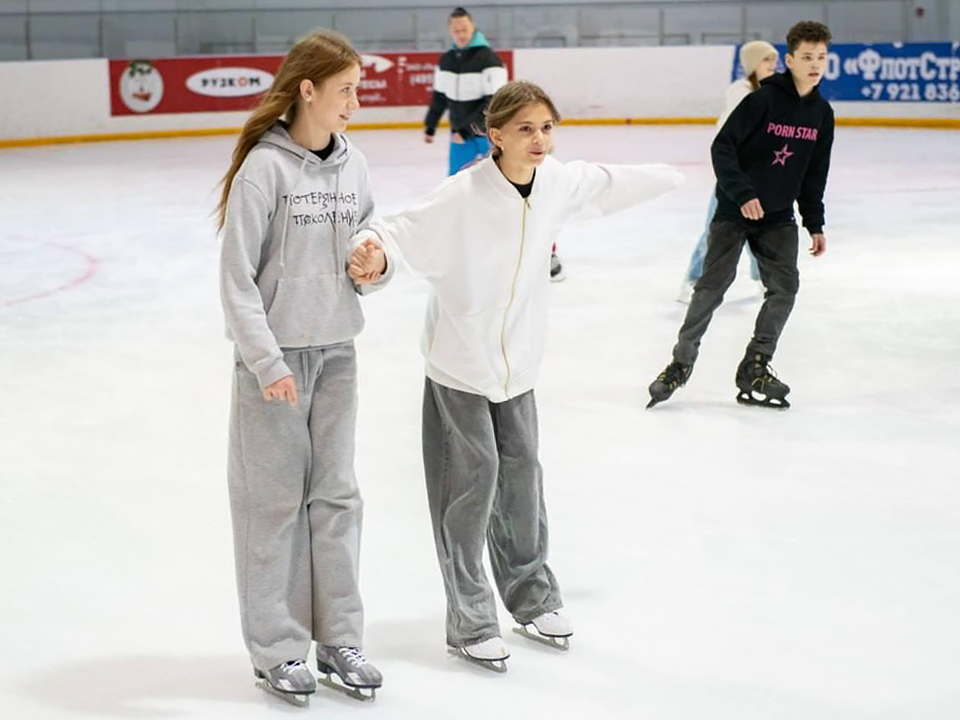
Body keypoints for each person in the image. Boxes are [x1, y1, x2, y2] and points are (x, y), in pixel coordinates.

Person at [349, 81, 682, 669]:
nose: (539, 140)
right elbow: (398, 232)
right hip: (461, 365)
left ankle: (531, 597)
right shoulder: (463, 195)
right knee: (470, 487)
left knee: (523, 478)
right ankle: (470, 618)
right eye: (526, 129)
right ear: (495, 134)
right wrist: (373, 254)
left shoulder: (556, 183)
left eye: (548, 127)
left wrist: (674, 172)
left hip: (519, 366)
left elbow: (607, 182)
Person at [216, 30, 391, 704]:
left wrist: (375, 263)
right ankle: (278, 650)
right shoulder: (266, 168)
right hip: (277, 363)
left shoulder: (354, 166)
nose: (356, 100)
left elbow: (372, 235)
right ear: (308, 89)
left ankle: (340, 638)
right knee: (273, 506)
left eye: (358, 87)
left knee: (337, 499)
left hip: (337, 352)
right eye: (345, 89)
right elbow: (235, 280)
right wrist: (265, 362)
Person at [647, 21, 834, 410]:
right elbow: (722, 148)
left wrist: (814, 222)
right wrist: (743, 193)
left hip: (779, 216)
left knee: (784, 289)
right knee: (711, 289)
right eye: (807, 57)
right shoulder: (761, 101)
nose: (815, 64)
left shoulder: (822, 114)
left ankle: (756, 364)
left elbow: (815, 172)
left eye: (821, 57)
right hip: (735, 210)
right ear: (790, 60)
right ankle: (680, 364)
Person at [678, 40, 780, 304]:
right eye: (766, 60)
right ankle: (693, 281)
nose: (773, 65)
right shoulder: (741, 91)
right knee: (717, 229)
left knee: (758, 230)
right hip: (734, 177)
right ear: (753, 64)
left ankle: (762, 280)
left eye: (773, 60)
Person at [423, 6, 508, 176]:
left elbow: (493, 104)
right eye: (456, 30)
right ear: (450, 31)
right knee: (456, 184)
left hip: (487, 137)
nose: (461, 34)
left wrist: (466, 131)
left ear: (473, 28)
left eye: (465, 29)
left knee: (494, 183)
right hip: (459, 136)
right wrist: (430, 126)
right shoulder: (446, 60)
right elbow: (440, 97)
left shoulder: (490, 60)